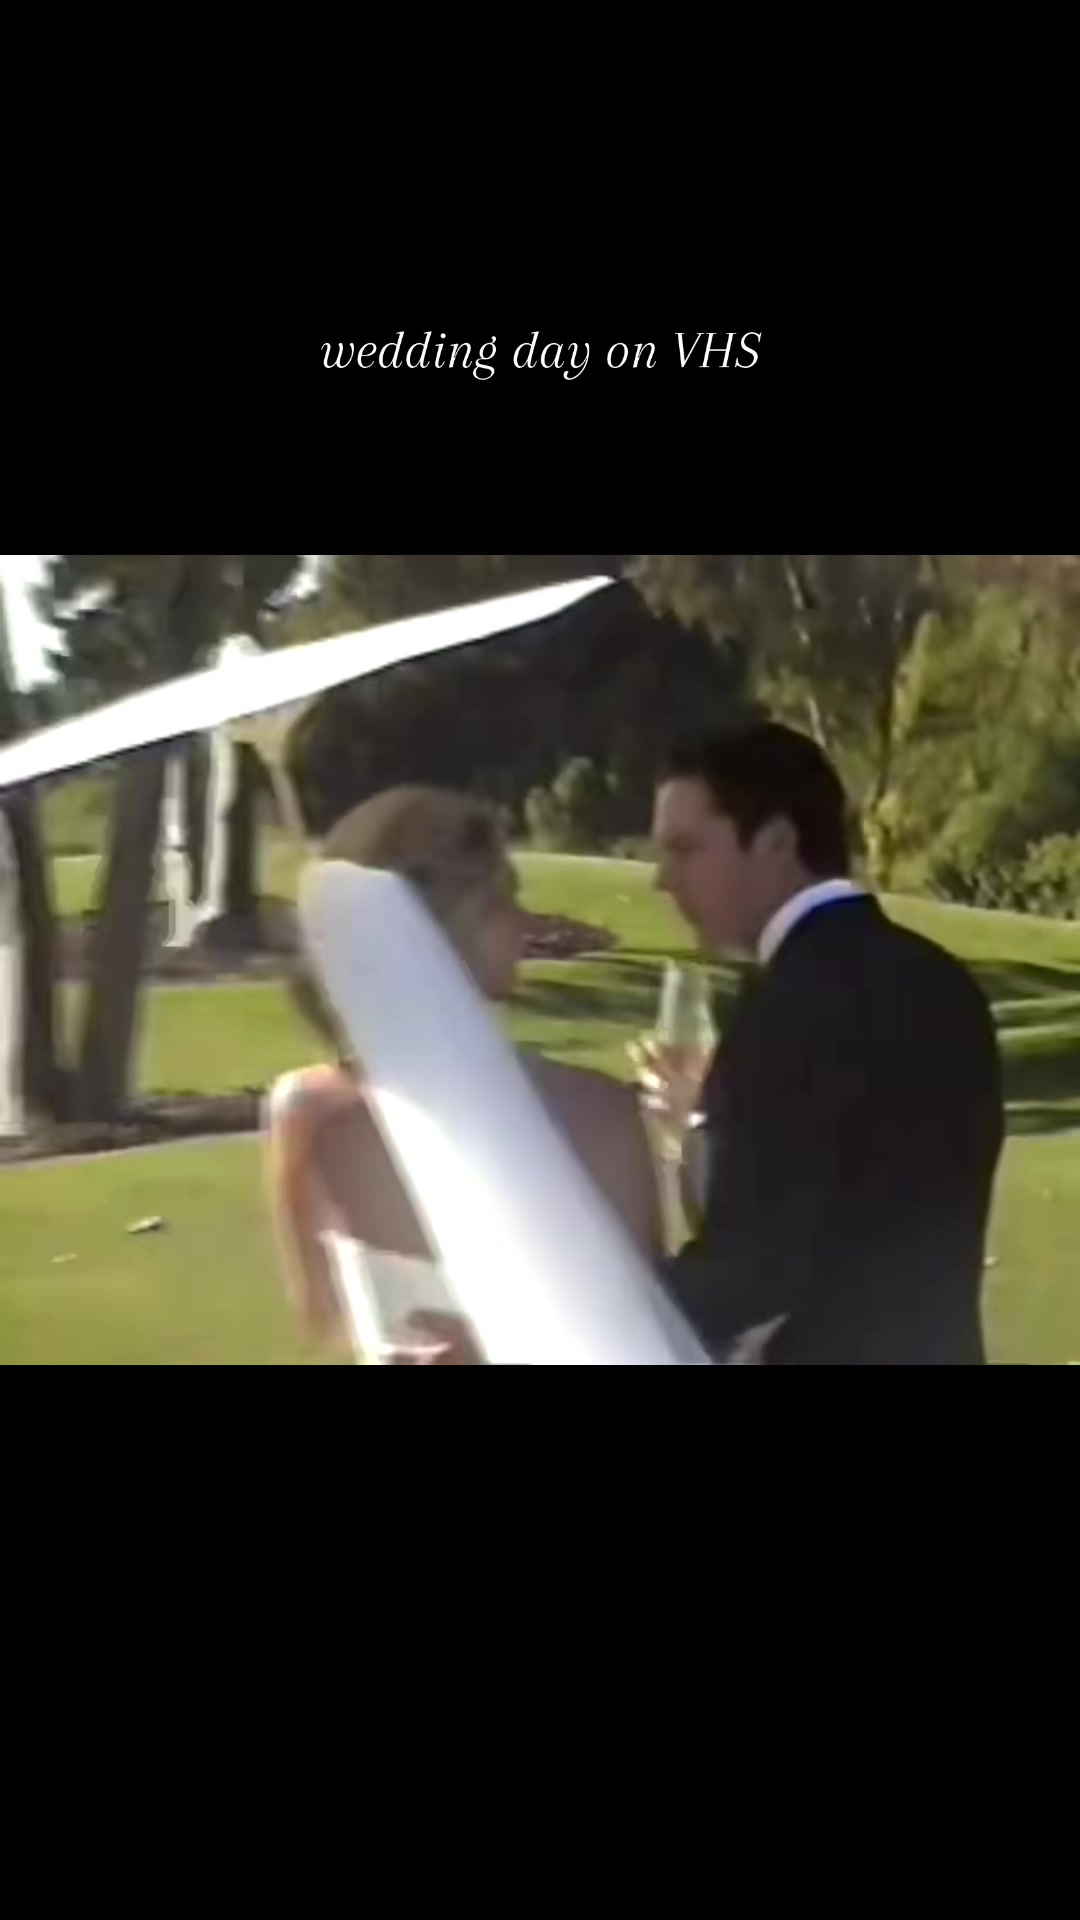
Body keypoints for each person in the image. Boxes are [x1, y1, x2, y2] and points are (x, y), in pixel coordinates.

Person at [650, 723, 1005, 1365]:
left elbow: (750, 1274)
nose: (662, 880)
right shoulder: (942, 982)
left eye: (686, 849)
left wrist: (591, 1309)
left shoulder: (790, 1004)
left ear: (778, 842)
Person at [266, 785, 662, 1360]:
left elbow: (323, 1318)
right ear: (449, 930)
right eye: (504, 899)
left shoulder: (305, 1111)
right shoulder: (596, 1111)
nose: (523, 921)